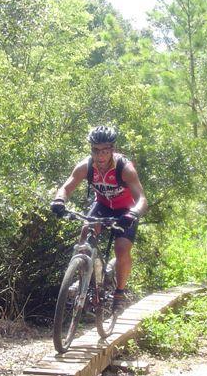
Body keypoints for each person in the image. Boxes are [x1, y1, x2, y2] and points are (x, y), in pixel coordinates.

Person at [50, 125, 147, 312]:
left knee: (122, 249)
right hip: (102, 206)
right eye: (96, 150)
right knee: (86, 231)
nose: (100, 155)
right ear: (91, 149)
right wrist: (59, 200)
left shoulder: (124, 169)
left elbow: (142, 199)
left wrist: (133, 213)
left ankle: (119, 293)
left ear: (113, 149)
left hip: (126, 210)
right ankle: (83, 279)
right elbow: (66, 187)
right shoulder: (85, 167)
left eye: (105, 150)